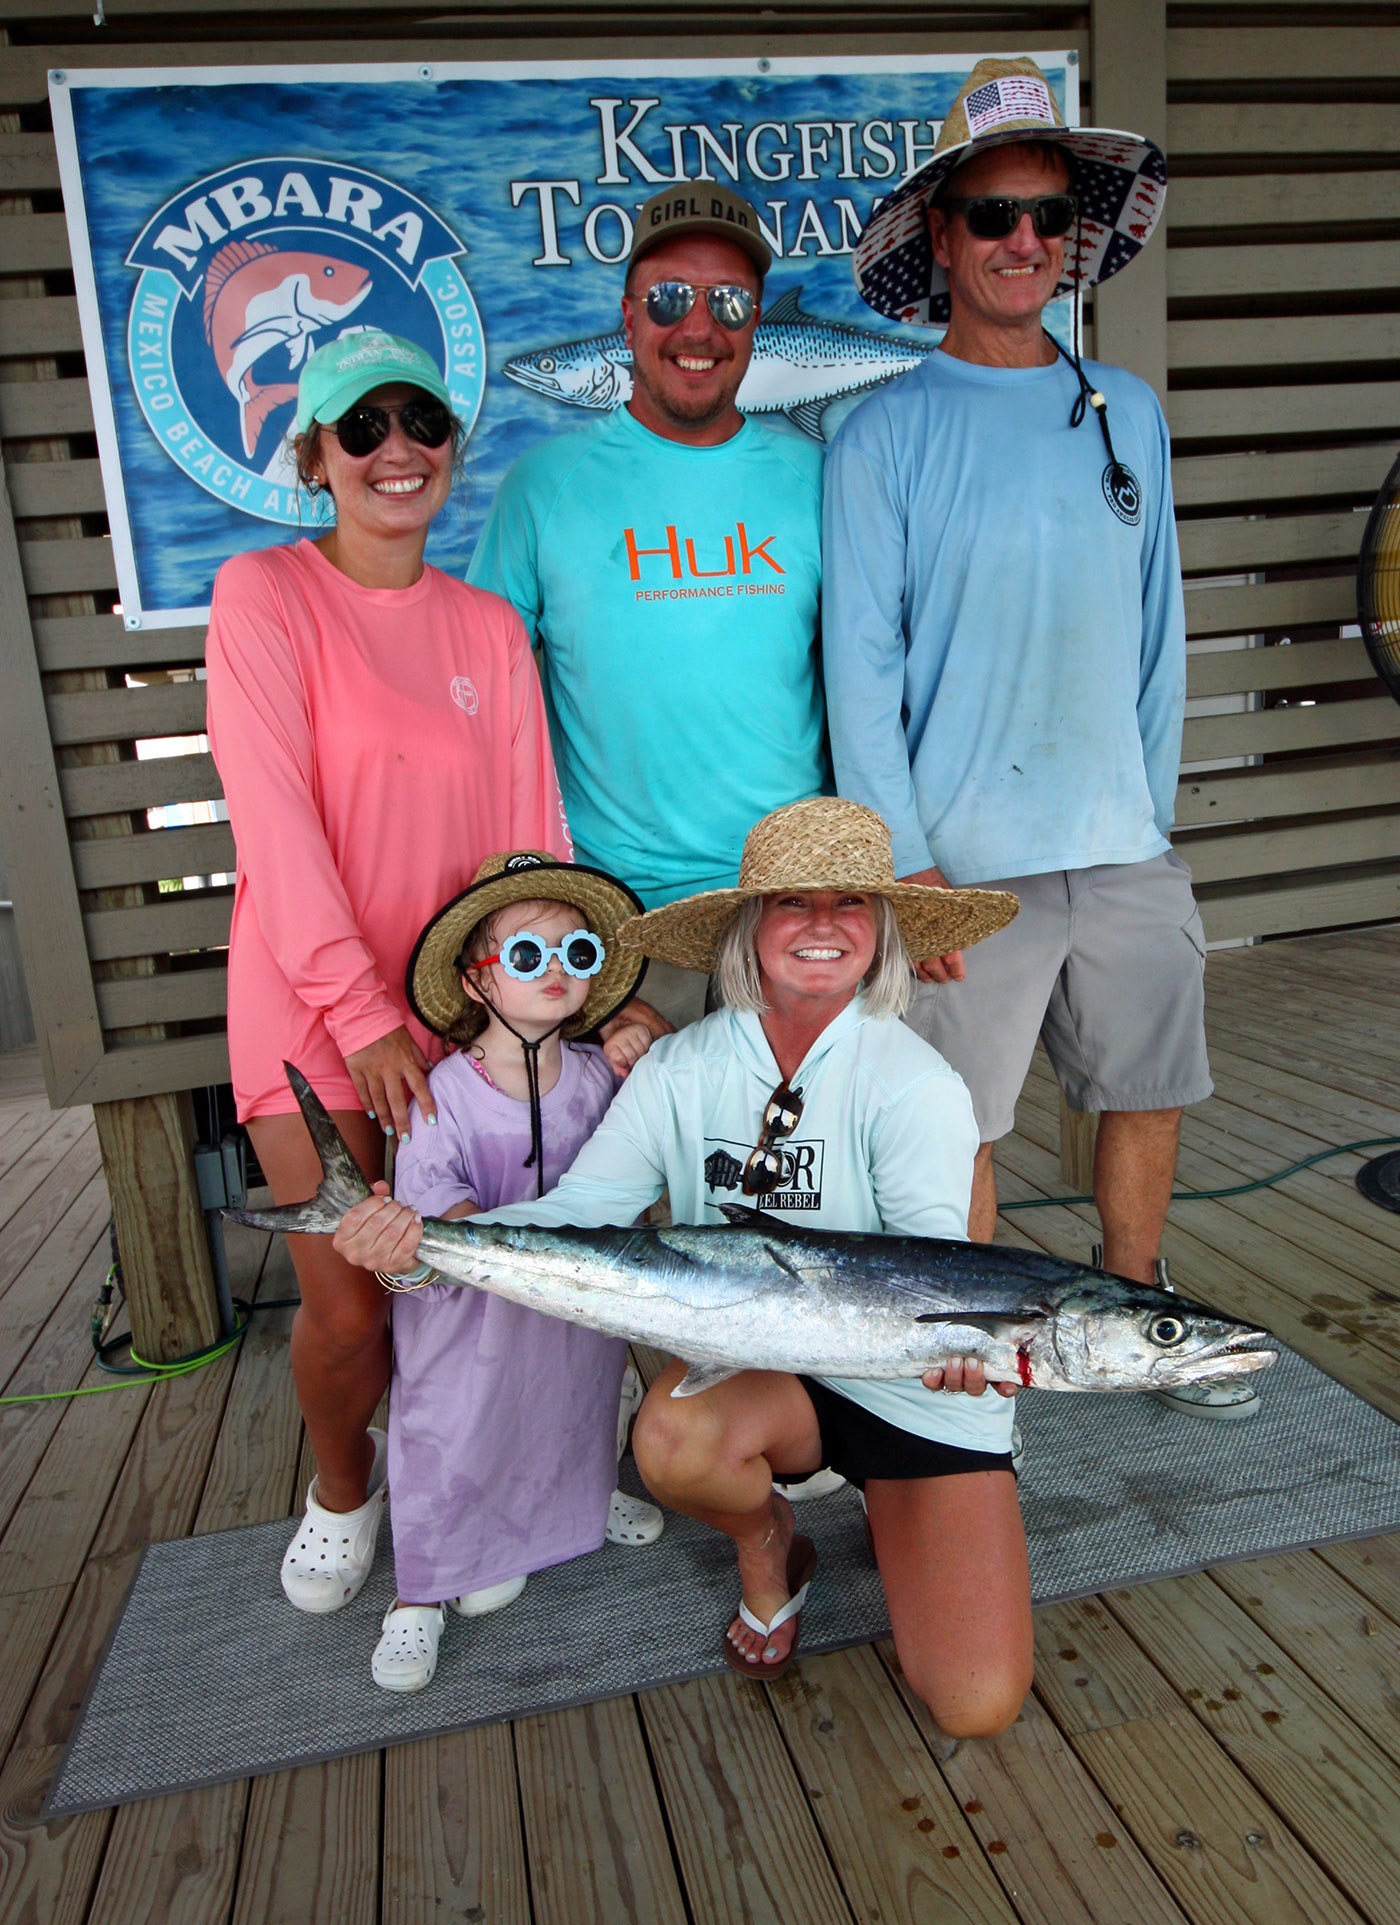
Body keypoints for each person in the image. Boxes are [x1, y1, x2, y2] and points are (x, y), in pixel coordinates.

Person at [334, 799, 1032, 1734]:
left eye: (850, 904)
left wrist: (956, 1351)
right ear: (749, 928)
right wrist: (417, 1253)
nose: (823, 926)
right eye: (793, 902)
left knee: (977, 1702)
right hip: (765, 1374)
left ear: (883, 934)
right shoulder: (681, 1067)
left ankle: (898, 1501)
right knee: (670, 1439)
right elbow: (576, 1217)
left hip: (914, 1387)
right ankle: (768, 1542)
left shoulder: (915, 1083)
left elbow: (932, 1281)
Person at [823, 61, 1249, 1419]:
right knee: (962, 1125)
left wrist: (1150, 811)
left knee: (1149, 1086)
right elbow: (863, 666)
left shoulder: (1130, 410)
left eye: (1049, 215)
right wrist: (908, 870)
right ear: (942, 236)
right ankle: (983, 1350)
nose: (1025, 240)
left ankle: (1141, 1308)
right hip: (965, 868)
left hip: (1121, 844)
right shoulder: (878, 432)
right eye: (996, 213)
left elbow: (1156, 634)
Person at [205, 329, 645, 1626]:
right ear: (315, 456)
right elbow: (273, 825)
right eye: (363, 427)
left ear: (453, 447)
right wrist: (361, 1014)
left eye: (424, 422)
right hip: (311, 1016)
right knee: (350, 1302)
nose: (397, 448)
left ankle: (535, 1477)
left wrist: (569, 1011)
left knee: (503, 1277)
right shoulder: (262, 596)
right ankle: (346, 1489)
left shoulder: (488, 626)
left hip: (475, 1018)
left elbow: (533, 849)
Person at [470, 184, 828, 1034]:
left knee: (809, 1168)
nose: (698, 327)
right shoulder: (542, 487)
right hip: (623, 930)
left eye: (729, 302)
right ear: (628, 317)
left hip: (794, 908)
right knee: (644, 1171)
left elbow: (872, 682)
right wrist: (539, 911)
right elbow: (483, 716)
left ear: (754, 329)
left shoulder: (819, 478)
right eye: (670, 298)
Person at [363, 850, 663, 1692]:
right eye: (529, 955)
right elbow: (436, 1208)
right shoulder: (440, 1096)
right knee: (453, 1430)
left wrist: (650, 1045)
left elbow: (655, 1142)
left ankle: (576, 1506)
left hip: (574, 1313)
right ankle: (418, 1590)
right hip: (466, 1319)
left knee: (573, 1405)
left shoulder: (605, 1076)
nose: (557, 972)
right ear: (476, 980)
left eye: (579, 953)